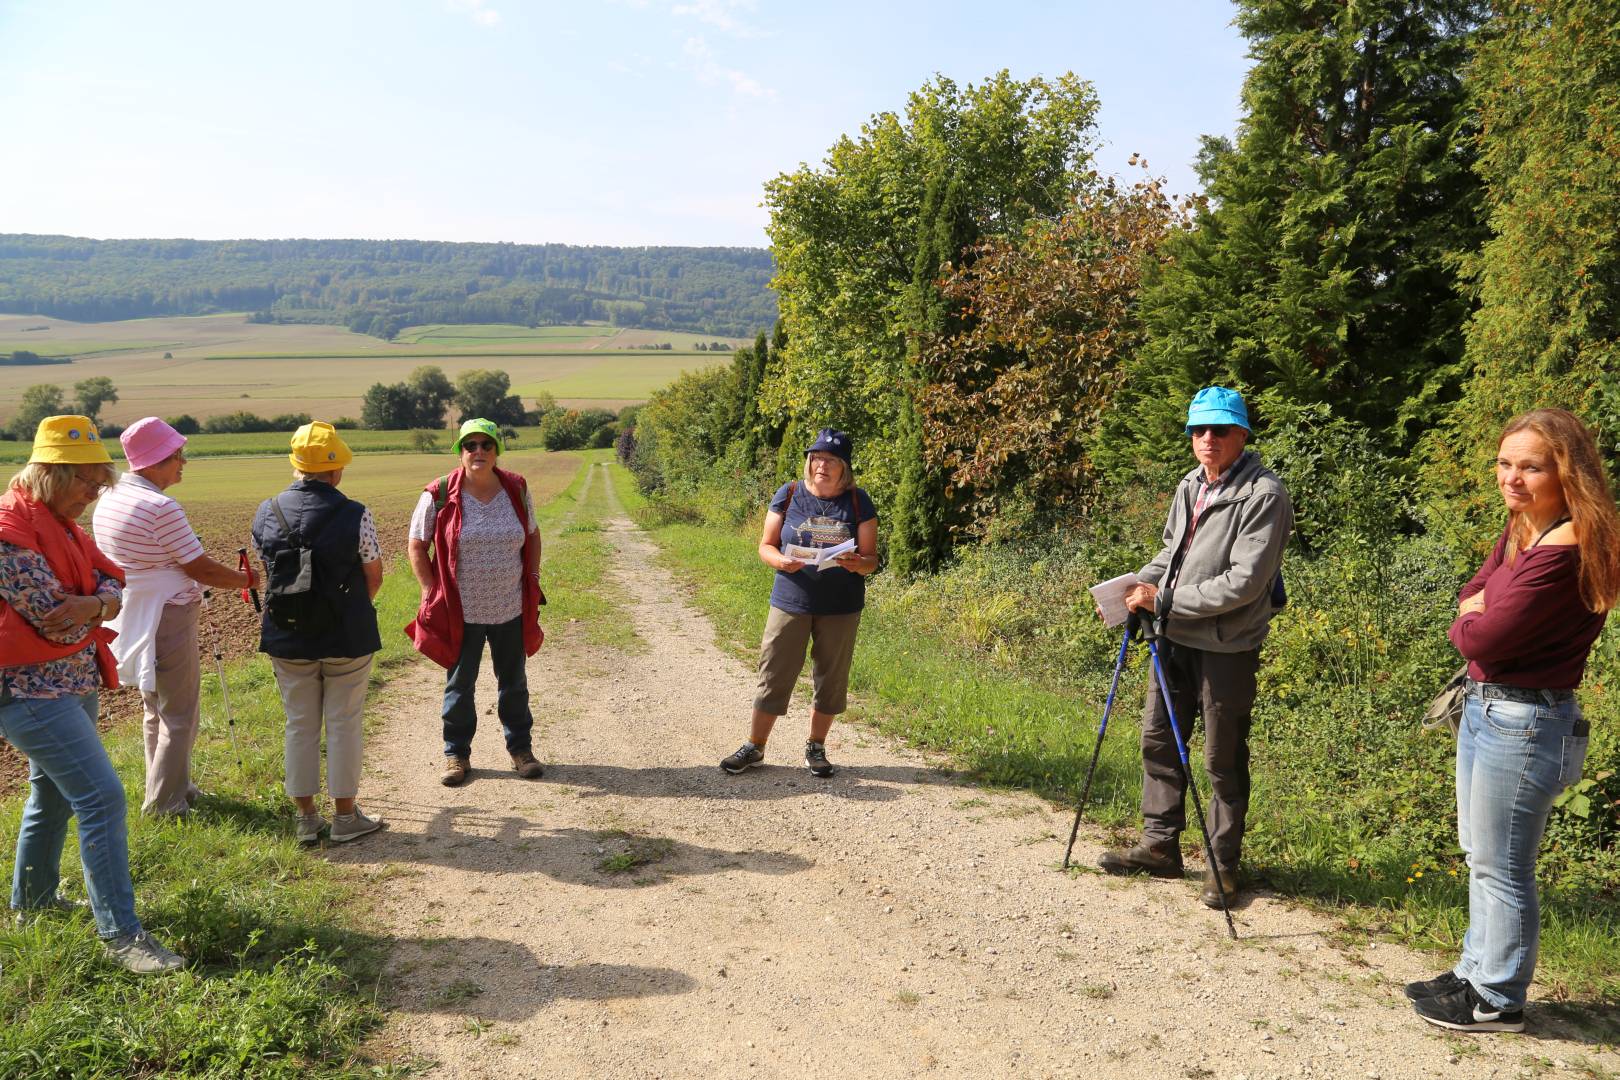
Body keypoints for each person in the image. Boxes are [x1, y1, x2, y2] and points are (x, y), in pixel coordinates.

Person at [1407, 408, 1620, 1034]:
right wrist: (1477, 608)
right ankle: (1478, 969)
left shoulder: (1566, 547)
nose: (1513, 478)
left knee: (1503, 864)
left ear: (1567, 472)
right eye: (1505, 464)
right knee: (1483, 852)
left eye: (1531, 466)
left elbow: (1481, 635)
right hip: (1491, 709)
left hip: (1526, 721)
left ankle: (1498, 999)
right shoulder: (1526, 527)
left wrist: (1473, 616)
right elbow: (1475, 594)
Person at [0, 415, 186, 972]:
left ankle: (31, 906)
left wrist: (96, 604)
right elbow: (51, 616)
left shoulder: (60, 522)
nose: (93, 494)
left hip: (70, 677)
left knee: (51, 795)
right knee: (102, 797)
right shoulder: (11, 530)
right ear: (54, 473)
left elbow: (113, 577)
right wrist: (95, 604)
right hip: (30, 690)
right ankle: (122, 936)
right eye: (87, 481)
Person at [1097, 387, 1293, 909]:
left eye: (1220, 430)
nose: (1207, 439)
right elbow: (1171, 552)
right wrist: (1131, 590)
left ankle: (1223, 866)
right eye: (1198, 430)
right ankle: (1160, 846)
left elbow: (1244, 583)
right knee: (1159, 740)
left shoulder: (1264, 494)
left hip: (1227, 644)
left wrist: (1162, 600)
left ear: (1242, 435)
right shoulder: (1191, 485)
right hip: (1173, 635)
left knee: (1221, 757)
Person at [92, 417, 258, 818]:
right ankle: (166, 804)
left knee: (156, 707)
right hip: (167, 613)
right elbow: (199, 568)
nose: (183, 463)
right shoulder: (160, 506)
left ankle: (171, 784)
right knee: (179, 712)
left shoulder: (110, 497)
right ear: (156, 460)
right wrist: (244, 578)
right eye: (176, 456)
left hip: (133, 612)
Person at [251, 421, 385, 844]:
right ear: (337, 470)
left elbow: (267, 571)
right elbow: (373, 576)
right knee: (344, 722)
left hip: (287, 636)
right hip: (346, 635)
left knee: (299, 723)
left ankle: (306, 818)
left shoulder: (265, 511)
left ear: (295, 466)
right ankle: (346, 817)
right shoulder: (355, 513)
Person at [721, 428, 879, 778]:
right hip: (791, 599)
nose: (822, 464)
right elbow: (766, 545)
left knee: (831, 678)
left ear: (844, 467)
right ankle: (755, 746)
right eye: (817, 457)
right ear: (809, 461)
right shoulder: (789, 493)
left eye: (831, 460)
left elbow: (871, 560)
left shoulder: (858, 501)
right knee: (773, 673)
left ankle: (816, 748)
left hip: (841, 605)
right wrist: (779, 561)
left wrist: (858, 563)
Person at [406, 418, 544, 787]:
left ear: (497, 450)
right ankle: (457, 755)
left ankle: (521, 751)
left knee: (513, 683)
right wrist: (428, 589)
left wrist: (532, 578)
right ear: (460, 452)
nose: (478, 452)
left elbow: (532, 534)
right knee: (459, 685)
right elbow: (417, 544)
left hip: (510, 607)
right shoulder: (438, 492)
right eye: (470, 446)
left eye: (486, 445)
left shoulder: (516, 487)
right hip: (459, 610)